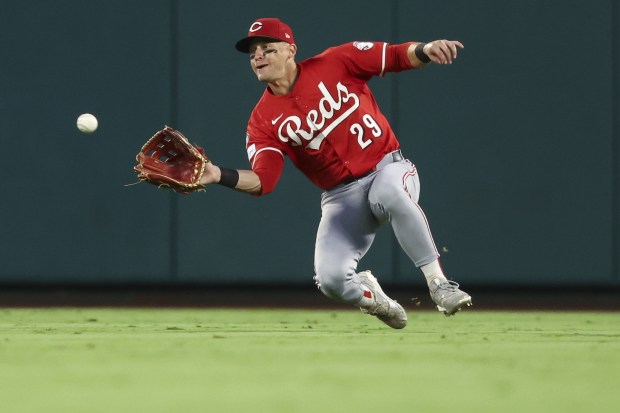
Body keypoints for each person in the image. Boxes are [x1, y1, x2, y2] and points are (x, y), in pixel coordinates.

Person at [199, 17, 472, 329]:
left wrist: (426, 49)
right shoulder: (261, 121)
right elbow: (264, 181)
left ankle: (438, 283)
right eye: (253, 53)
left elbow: (395, 56)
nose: (258, 56)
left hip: (389, 168)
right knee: (330, 279)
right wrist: (217, 173)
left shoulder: (336, 61)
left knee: (390, 192)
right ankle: (374, 298)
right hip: (342, 196)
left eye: (267, 49)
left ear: (291, 50)